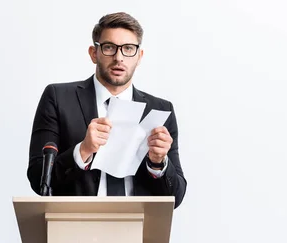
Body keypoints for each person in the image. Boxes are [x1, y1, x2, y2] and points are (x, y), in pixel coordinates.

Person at [27, 12, 187, 208]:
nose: (119, 57)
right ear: (94, 53)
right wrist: (83, 150)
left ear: (139, 56)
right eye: (109, 47)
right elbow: (37, 178)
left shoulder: (160, 109)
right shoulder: (58, 97)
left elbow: (176, 196)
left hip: (136, 230)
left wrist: (158, 163)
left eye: (128, 48)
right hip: (75, 226)